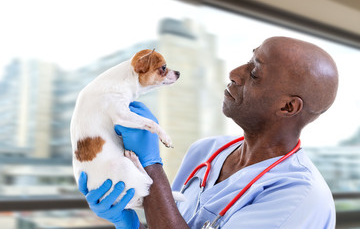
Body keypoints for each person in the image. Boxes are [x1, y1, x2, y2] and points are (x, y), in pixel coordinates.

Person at [78, 36, 339, 228]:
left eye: (255, 73)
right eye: (248, 61)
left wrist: (151, 167)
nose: (235, 73)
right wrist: (130, 225)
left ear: (287, 106)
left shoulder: (300, 198)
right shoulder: (206, 151)